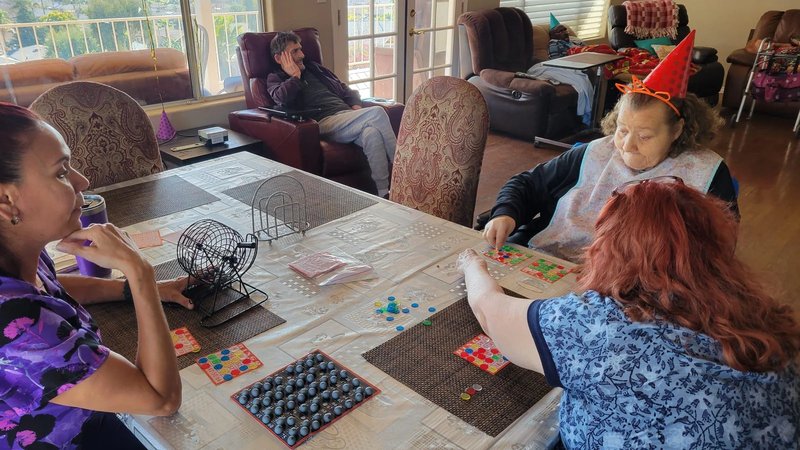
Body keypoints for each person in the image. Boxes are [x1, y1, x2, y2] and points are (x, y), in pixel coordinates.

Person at [459, 178, 800, 448]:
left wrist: (472, 264)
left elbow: (491, 313)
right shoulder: (763, 315)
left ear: (611, 249)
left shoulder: (600, 325)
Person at [0, 103, 195, 449]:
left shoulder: (16, 258)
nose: (82, 180)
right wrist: (139, 273)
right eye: (61, 172)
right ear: (6, 200)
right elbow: (161, 398)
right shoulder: (21, 325)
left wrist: (132, 290)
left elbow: (50, 289)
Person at [483, 30, 739, 262]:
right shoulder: (596, 151)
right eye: (622, 130)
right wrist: (506, 214)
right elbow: (527, 184)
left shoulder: (705, 173)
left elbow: (718, 249)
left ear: (677, 130)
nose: (627, 146)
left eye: (645, 136)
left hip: (635, 283)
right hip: (550, 258)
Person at [267, 31, 397, 197]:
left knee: (371, 134)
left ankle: (384, 193)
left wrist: (356, 106)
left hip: (346, 117)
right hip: (323, 122)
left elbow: (345, 89)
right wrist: (295, 77)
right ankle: (402, 168)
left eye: (301, 49)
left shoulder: (315, 69)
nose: (302, 55)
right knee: (377, 112)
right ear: (279, 58)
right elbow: (281, 98)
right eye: (295, 51)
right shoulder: (275, 78)